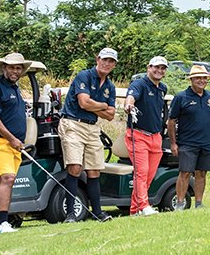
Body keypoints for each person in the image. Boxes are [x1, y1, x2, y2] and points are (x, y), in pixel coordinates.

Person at [59, 47, 118, 222]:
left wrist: (96, 106)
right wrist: (103, 106)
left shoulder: (110, 86)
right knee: (75, 167)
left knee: (94, 170)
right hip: (73, 123)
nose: (107, 63)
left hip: (92, 127)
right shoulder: (84, 76)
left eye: (111, 61)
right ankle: (70, 214)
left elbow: (111, 115)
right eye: (105, 59)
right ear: (98, 59)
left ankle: (97, 212)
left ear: (114, 65)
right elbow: (83, 103)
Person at [0, 53, 31, 233]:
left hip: (14, 144)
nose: (15, 71)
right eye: (11, 67)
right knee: (8, 178)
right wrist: (12, 138)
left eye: (18, 68)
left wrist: (16, 141)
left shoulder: (14, 88)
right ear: (4, 68)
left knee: (2, 180)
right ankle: (3, 222)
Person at [123, 56, 169, 216]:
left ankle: (135, 210)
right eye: (156, 67)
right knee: (141, 172)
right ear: (149, 67)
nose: (159, 70)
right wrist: (129, 106)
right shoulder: (139, 84)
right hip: (138, 134)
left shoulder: (162, 88)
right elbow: (130, 98)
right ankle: (143, 205)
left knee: (149, 175)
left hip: (155, 137)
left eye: (163, 68)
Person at [168, 65, 210, 210]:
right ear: (191, 80)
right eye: (198, 78)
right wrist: (173, 143)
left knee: (201, 173)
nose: (201, 80)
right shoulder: (181, 97)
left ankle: (199, 203)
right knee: (185, 173)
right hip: (187, 142)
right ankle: (179, 203)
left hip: (207, 142)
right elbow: (171, 121)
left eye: (204, 78)